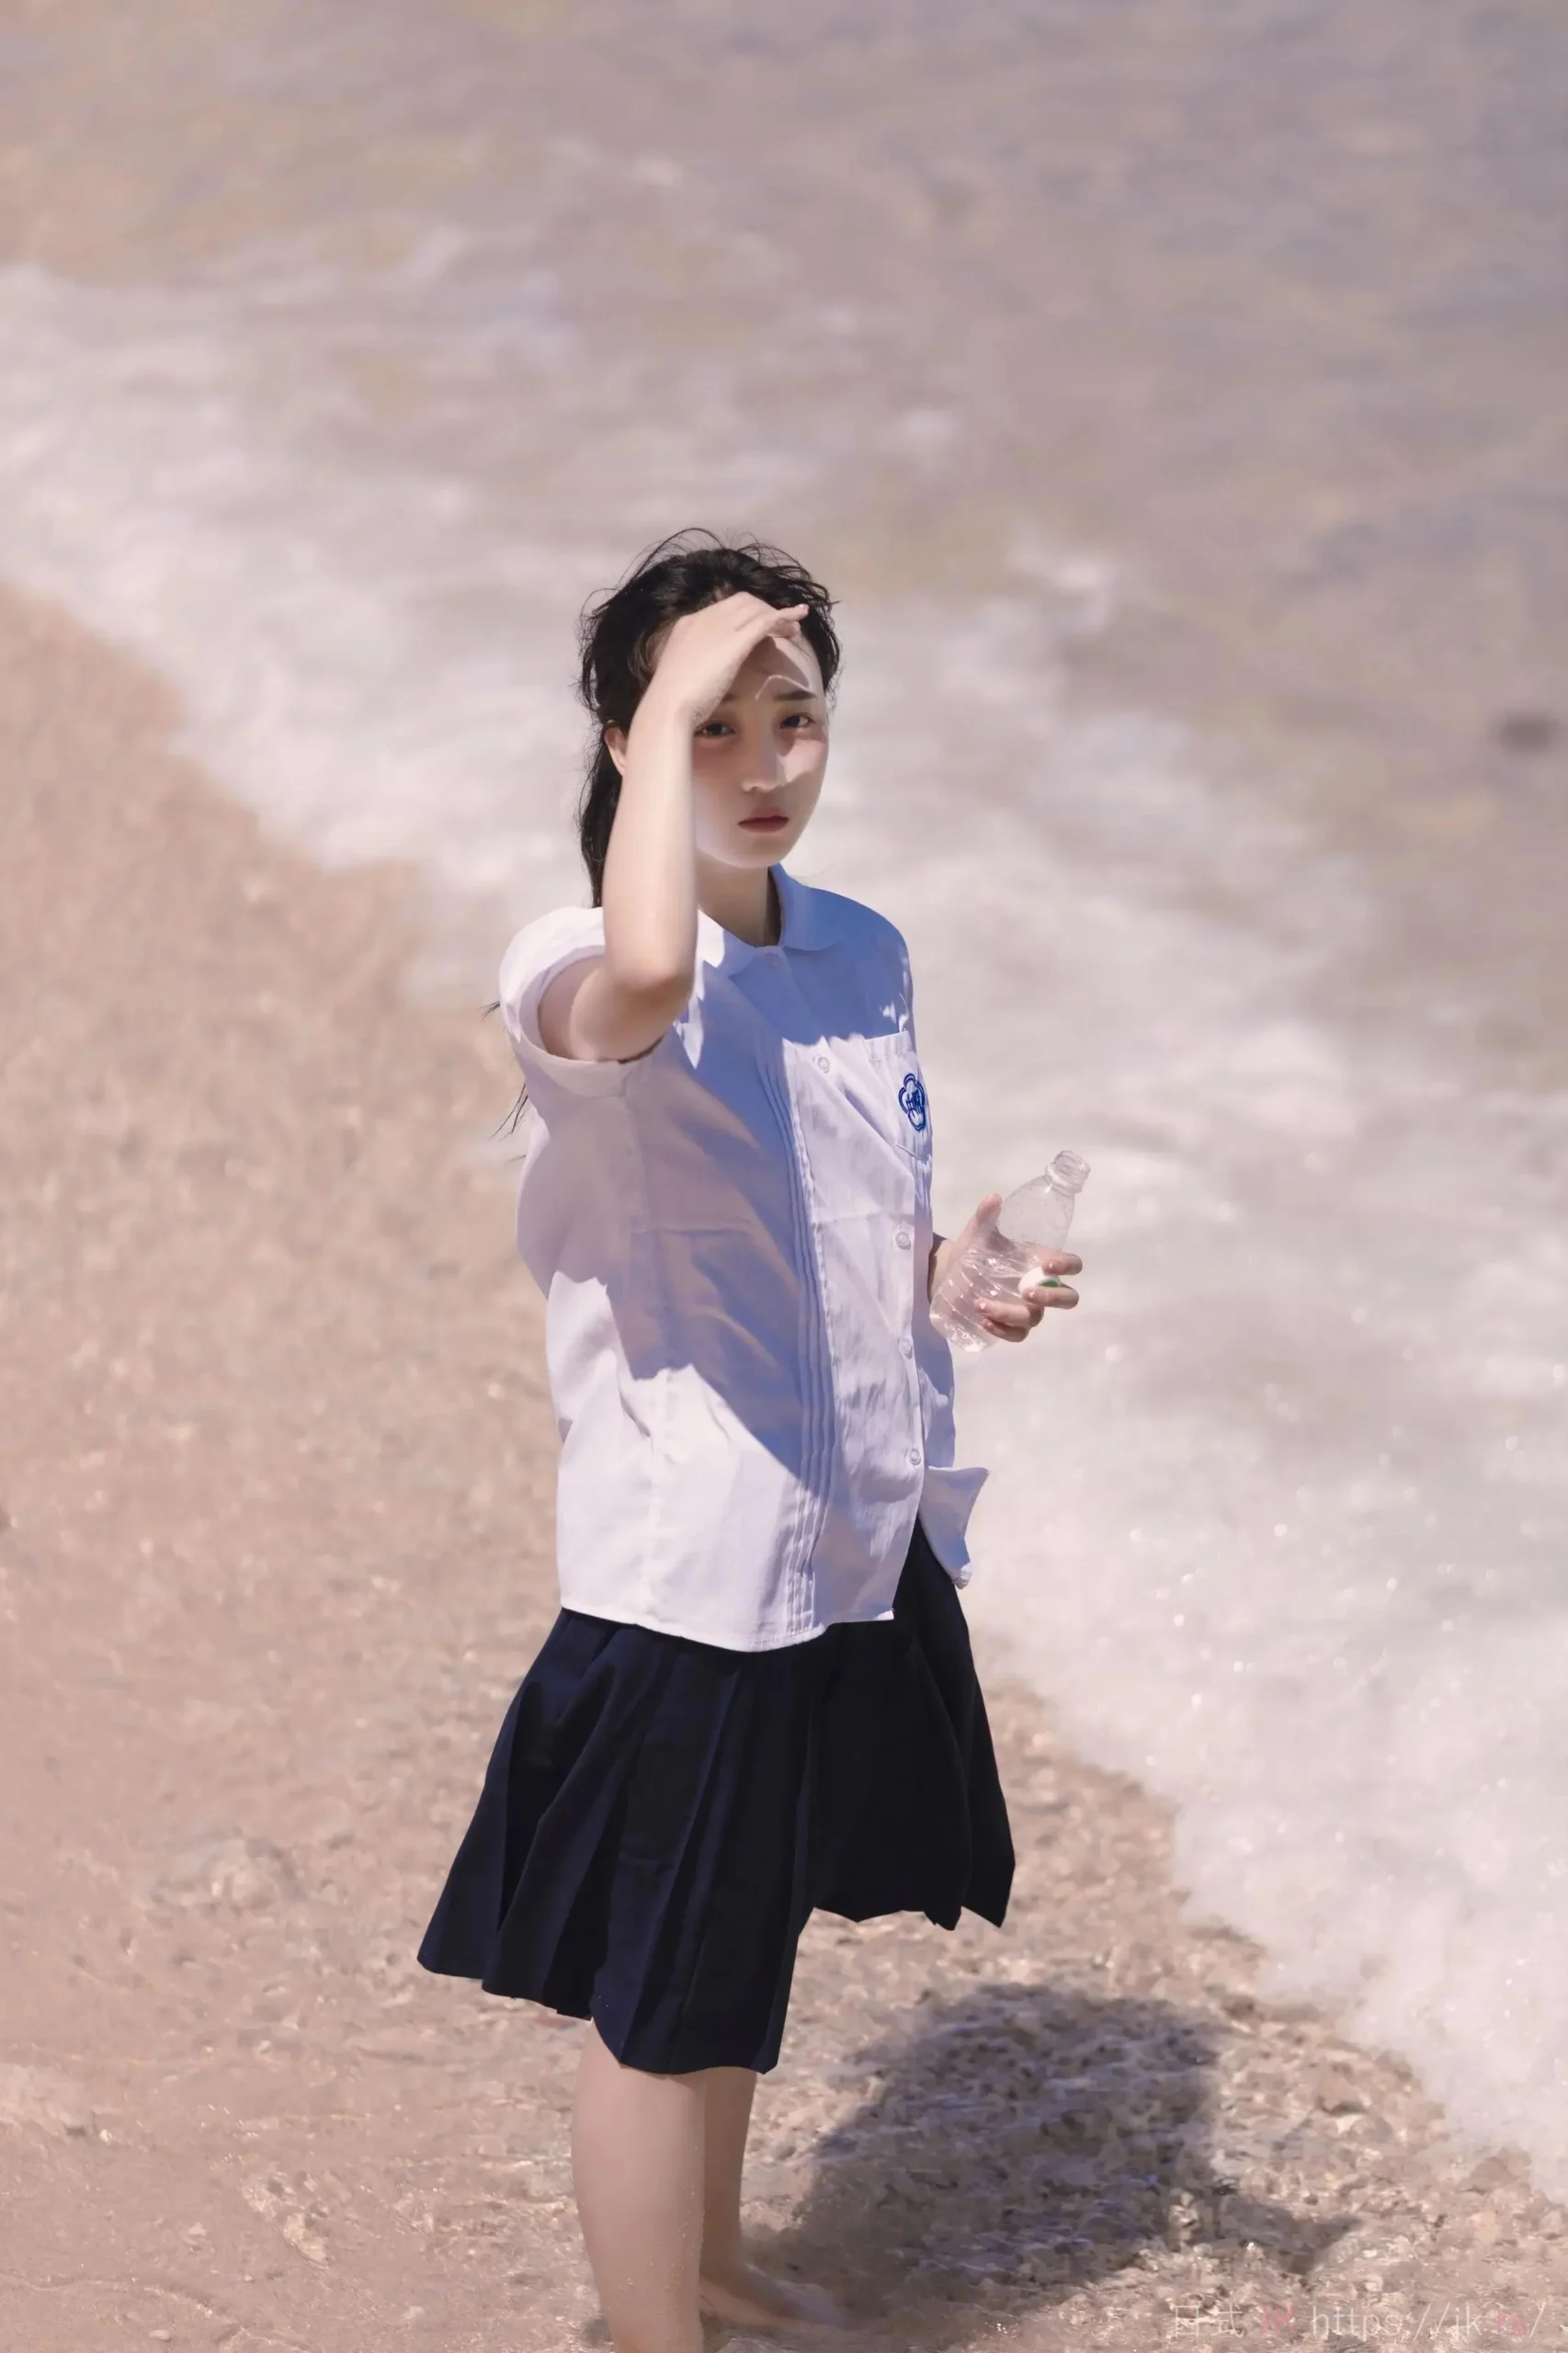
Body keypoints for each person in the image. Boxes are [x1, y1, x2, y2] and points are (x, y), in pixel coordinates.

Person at [416, 530, 1084, 2351]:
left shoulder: (862, 949)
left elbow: (840, 1234)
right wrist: (667, 709)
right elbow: (648, 970)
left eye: (793, 718)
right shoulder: (578, 958)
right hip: (693, 1564)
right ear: (627, 741)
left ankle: (707, 2274)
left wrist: (954, 1275)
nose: (765, 762)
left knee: (733, 1951)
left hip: (850, 1533)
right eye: (712, 726)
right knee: (657, 1996)